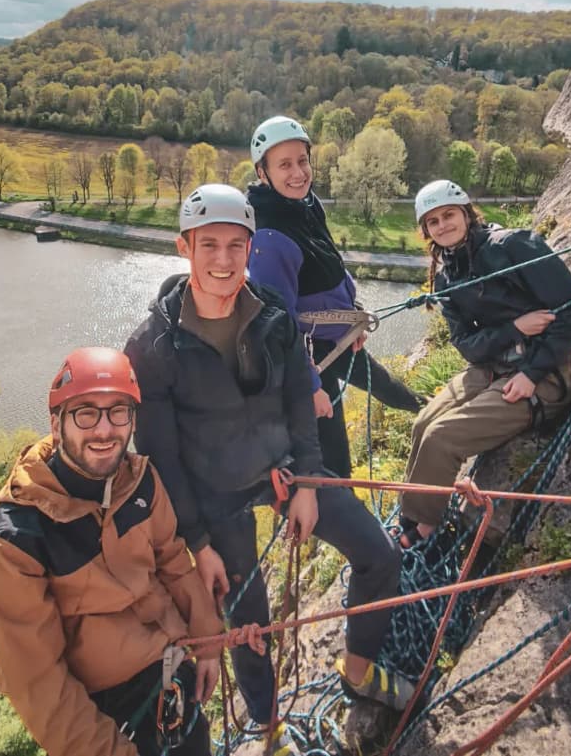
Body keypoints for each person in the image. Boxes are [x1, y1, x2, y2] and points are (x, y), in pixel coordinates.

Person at [125, 184, 416, 756]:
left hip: (282, 470)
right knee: (248, 622)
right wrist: (199, 541)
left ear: (250, 248)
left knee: (380, 555)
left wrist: (307, 481)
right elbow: (162, 459)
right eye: (209, 244)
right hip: (216, 500)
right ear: (184, 247)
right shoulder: (153, 347)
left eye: (237, 245)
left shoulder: (274, 313)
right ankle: (266, 725)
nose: (224, 260)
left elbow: (295, 408)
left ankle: (356, 670)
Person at [0, 347, 223, 756]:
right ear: (56, 422)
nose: (104, 430)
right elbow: (40, 686)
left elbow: (174, 561)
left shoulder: (141, 482)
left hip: (173, 672)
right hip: (103, 712)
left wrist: (208, 642)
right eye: (86, 413)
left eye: (118, 412)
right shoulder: (12, 545)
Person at [400, 180, 571, 545]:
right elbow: (468, 346)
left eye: (449, 215)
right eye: (433, 222)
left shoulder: (514, 246)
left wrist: (533, 374)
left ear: (466, 214)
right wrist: (515, 327)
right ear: (426, 231)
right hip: (492, 366)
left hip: (544, 372)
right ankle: (414, 513)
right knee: (423, 424)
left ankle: (425, 529)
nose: (443, 225)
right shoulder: (446, 276)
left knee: (442, 438)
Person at [246, 116, 423, 478]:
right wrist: (308, 384)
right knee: (333, 446)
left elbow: (329, 265)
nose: (298, 173)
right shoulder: (268, 236)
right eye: (284, 165)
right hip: (309, 356)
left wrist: (351, 314)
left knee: (386, 386)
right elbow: (276, 324)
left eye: (302, 160)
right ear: (262, 173)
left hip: (338, 338)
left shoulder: (306, 205)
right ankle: (339, 518)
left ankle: (429, 413)